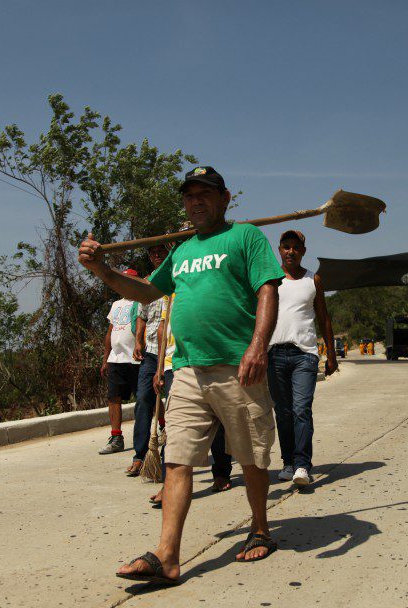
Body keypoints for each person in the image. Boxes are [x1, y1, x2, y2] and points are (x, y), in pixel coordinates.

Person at [78, 165, 285, 585]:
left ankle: (260, 526)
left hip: (236, 366)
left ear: (225, 198)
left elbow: (268, 288)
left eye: (205, 194)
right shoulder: (183, 250)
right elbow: (146, 291)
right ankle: (167, 555)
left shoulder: (245, 237)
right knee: (177, 461)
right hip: (187, 369)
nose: (196, 201)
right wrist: (103, 270)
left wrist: (257, 346)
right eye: (190, 196)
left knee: (251, 456)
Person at [148, 293, 233, 507]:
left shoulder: (199, 279)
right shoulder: (169, 291)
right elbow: (162, 329)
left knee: (217, 419)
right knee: (175, 426)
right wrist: (158, 368)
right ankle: (170, 484)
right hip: (172, 363)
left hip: (203, 356)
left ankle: (221, 473)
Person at [267, 230, 337, 487]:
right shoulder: (270, 280)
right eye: (286, 246)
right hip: (274, 354)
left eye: (296, 247)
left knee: (301, 410)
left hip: (304, 355)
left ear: (303, 251)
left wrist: (331, 354)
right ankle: (288, 463)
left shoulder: (312, 279)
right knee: (283, 413)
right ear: (279, 250)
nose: (291, 251)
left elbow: (324, 317)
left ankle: (302, 466)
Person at [126, 245, 171, 476]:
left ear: (168, 254)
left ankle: (168, 462)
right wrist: (138, 341)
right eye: (152, 253)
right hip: (151, 351)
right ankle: (140, 456)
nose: (156, 256)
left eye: (160, 252)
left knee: (173, 406)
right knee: (143, 399)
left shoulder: (175, 276)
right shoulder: (146, 282)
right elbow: (142, 316)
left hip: (172, 352)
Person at [98, 268, 141, 455]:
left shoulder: (142, 301)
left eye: (129, 280)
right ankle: (116, 437)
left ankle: (162, 427)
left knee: (145, 397)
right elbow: (110, 332)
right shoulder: (116, 304)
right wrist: (106, 358)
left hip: (135, 358)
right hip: (116, 358)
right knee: (113, 397)